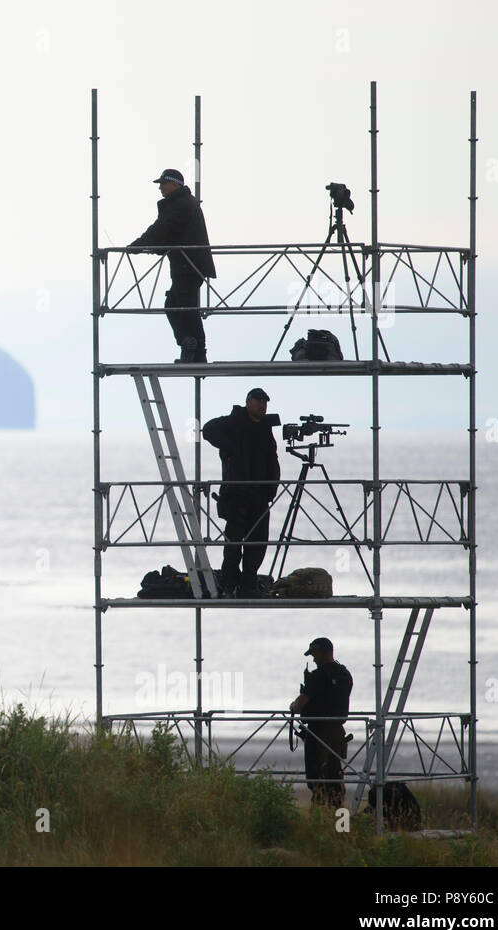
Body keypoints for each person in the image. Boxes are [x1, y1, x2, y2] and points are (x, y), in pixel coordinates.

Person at [128, 168, 217, 363]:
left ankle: (192, 348)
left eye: (163, 183)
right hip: (188, 264)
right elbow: (170, 233)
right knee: (181, 306)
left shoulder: (180, 204)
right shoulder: (184, 203)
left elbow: (161, 229)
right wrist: (153, 246)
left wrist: (138, 245)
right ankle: (193, 349)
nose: (160, 188)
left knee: (182, 308)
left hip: (188, 265)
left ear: (174, 184)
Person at [202, 388, 280, 597]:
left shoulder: (265, 428)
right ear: (249, 402)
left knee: (257, 543)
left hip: (260, 496)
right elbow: (208, 430)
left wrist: (272, 488)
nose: (262, 406)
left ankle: (248, 584)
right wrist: (230, 448)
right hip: (236, 495)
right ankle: (229, 584)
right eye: (258, 401)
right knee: (234, 544)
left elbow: (272, 458)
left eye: (265, 402)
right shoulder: (234, 421)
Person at [290, 637, 353, 808]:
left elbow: (300, 703)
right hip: (338, 732)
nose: (314, 659)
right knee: (335, 778)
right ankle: (341, 826)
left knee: (317, 780)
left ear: (322, 652)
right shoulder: (345, 674)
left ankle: (318, 821)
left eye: (315, 654)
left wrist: (293, 706)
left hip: (318, 732)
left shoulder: (318, 676)